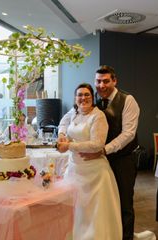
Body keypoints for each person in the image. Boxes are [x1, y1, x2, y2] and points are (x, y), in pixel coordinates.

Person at [74, 65, 140, 240]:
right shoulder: (91, 99)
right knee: (105, 203)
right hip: (99, 161)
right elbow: (71, 115)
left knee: (125, 203)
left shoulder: (128, 100)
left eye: (105, 81)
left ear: (114, 81)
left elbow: (128, 133)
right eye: (98, 81)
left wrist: (104, 150)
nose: (101, 85)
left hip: (123, 159)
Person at [57, 83, 122, 239]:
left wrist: (69, 145)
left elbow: (97, 144)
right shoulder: (74, 112)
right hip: (75, 169)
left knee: (94, 213)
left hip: (95, 173)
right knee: (77, 209)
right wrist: (61, 134)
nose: (83, 98)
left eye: (87, 95)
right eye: (79, 95)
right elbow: (63, 123)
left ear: (93, 98)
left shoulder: (98, 116)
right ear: (75, 98)